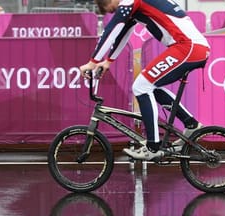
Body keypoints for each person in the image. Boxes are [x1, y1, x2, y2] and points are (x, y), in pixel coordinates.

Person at [79, 0, 210, 160]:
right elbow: (122, 34)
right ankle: (191, 125)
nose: (115, 12)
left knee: (141, 87)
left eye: (111, 9)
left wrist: (92, 62)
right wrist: (107, 61)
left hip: (187, 47)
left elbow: (112, 29)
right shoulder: (134, 6)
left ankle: (153, 147)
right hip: (191, 47)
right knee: (148, 87)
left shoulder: (129, 1)